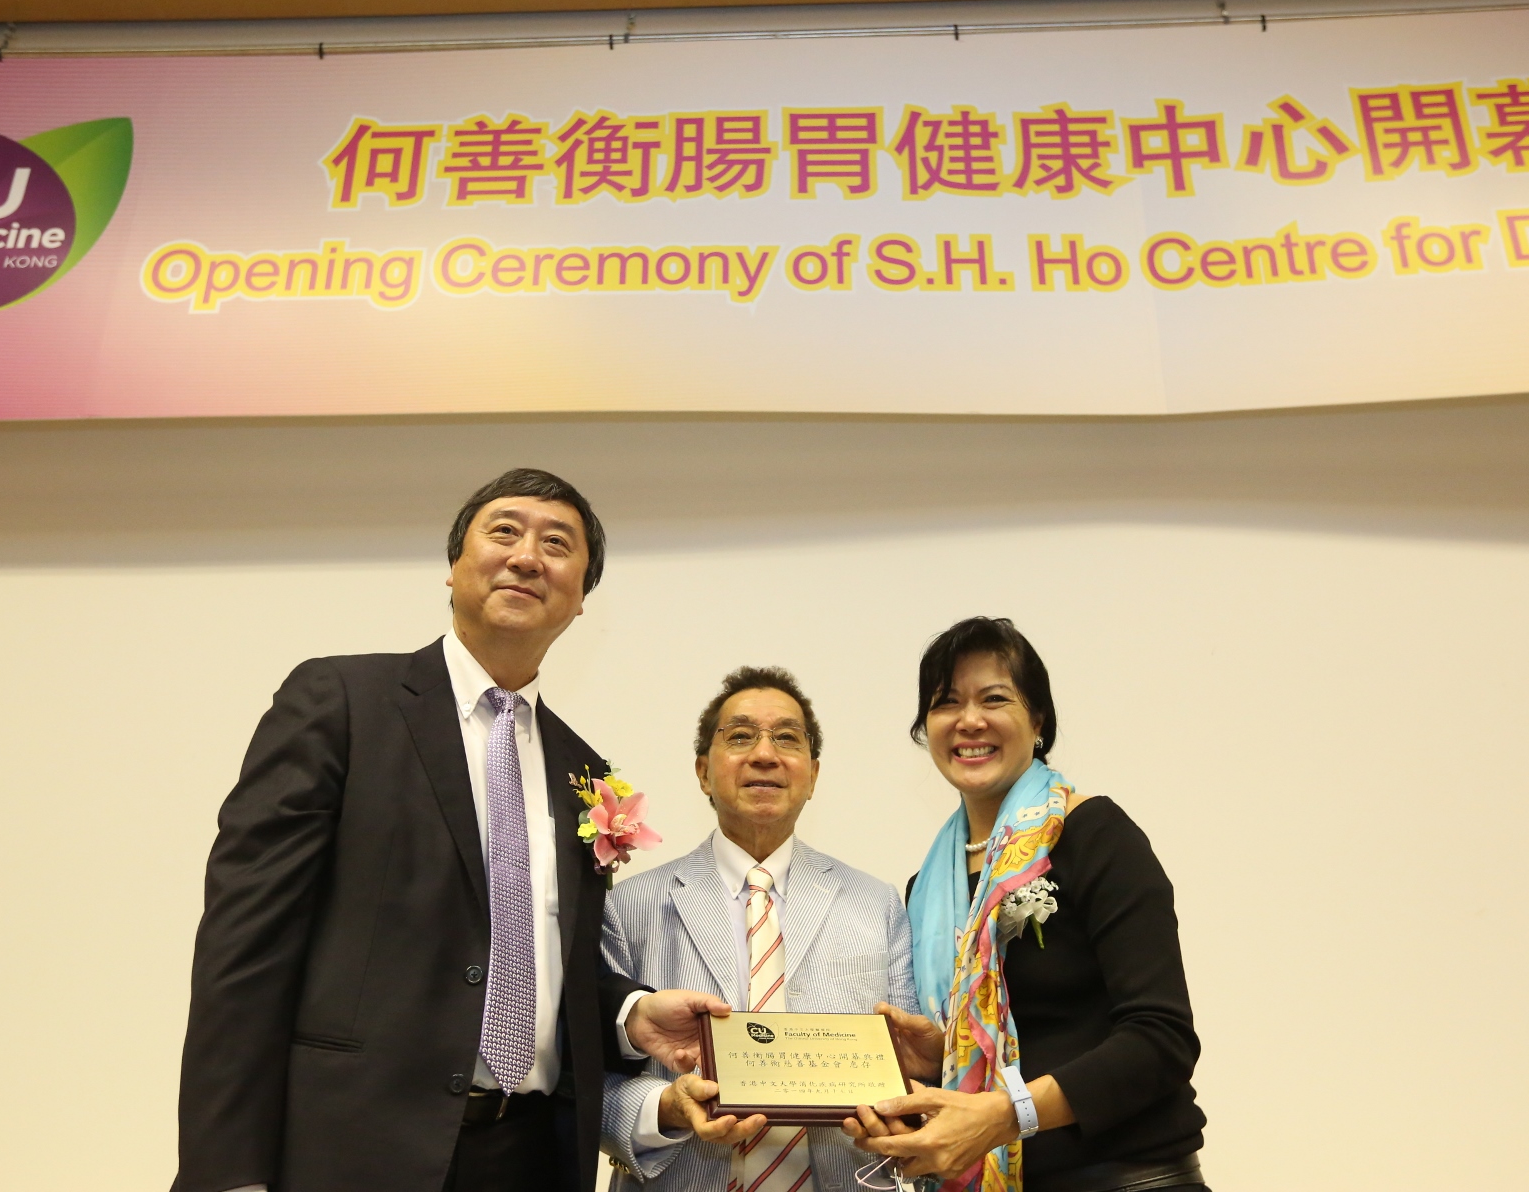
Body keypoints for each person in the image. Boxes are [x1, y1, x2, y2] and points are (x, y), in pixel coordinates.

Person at [174, 468, 729, 1192]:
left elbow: (536, 962)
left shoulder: (585, 773)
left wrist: (629, 1012)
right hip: (349, 1152)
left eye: (557, 544)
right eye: (504, 531)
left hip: (528, 1157)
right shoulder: (341, 704)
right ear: (454, 566)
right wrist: (227, 1174)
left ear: (582, 597)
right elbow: (244, 952)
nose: (528, 556)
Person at [849, 617, 1207, 1192]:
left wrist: (1009, 1113)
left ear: (1037, 721)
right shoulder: (928, 886)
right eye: (946, 703)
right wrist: (941, 1054)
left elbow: (1160, 1040)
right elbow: (1023, 1034)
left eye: (994, 698)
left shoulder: (1094, 835)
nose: (969, 720)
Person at [599, 666, 925, 1192]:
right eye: (742, 736)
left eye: (787, 739)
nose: (765, 754)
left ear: (813, 774)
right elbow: (587, 1085)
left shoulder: (876, 904)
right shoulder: (631, 905)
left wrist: (901, 1109)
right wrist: (668, 1109)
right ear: (703, 772)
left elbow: (913, 1074)